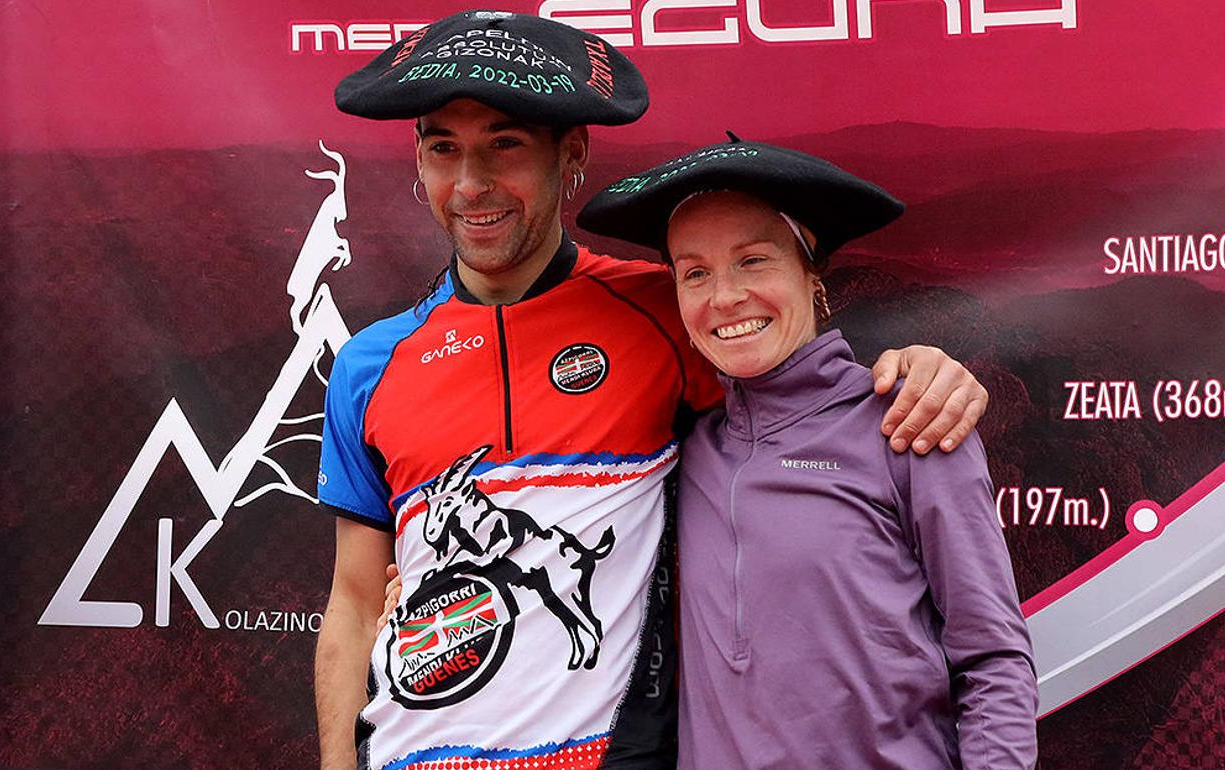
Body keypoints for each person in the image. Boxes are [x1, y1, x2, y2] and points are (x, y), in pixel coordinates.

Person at [317, 11, 991, 770]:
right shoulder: (369, 365)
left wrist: (926, 369)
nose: (472, 185)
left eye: (504, 145)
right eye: (444, 149)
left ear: (569, 155)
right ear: (419, 163)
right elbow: (352, 601)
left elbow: (787, 377)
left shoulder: (666, 309)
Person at [576, 138, 1038, 768]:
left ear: (811, 275)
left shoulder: (906, 425)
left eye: (754, 261)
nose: (726, 296)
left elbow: (994, 660)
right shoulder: (681, 452)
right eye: (695, 273)